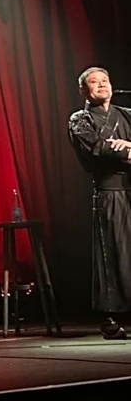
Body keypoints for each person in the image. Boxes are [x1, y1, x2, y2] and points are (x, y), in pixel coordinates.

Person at [67, 66, 131, 339]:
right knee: (113, 254)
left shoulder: (127, 114)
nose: (102, 85)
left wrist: (125, 147)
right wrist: (124, 151)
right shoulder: (79, 119)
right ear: (84, 90)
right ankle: (110, 319)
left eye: (105, 80)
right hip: (109, 192)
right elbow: (96, 147)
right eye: (94, 82)